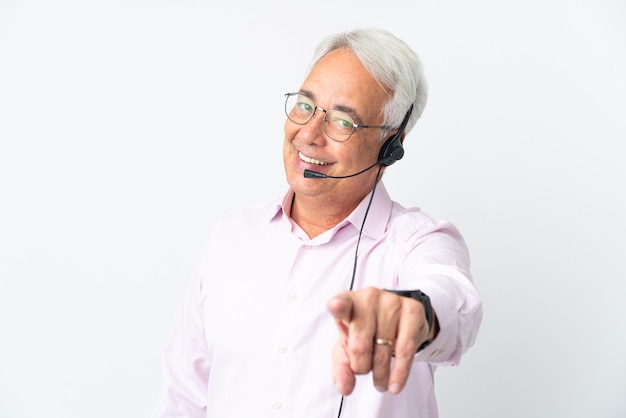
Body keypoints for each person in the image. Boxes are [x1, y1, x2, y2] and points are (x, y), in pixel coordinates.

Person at [152, 27, 482, 418]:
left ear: (392, 145)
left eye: (343, 121)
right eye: (305, 106)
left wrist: (416, 314)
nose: (308, 134)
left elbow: (453, 299)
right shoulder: (230, 238)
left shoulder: (417, 242)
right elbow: (184, 398)